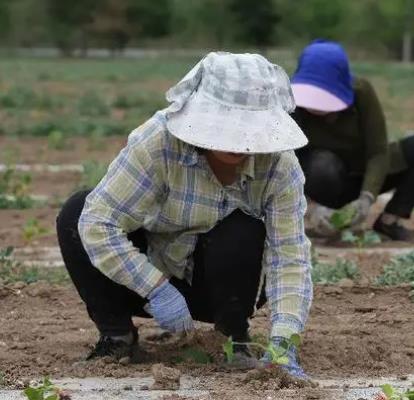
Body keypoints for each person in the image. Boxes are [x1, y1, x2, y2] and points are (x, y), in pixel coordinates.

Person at [56, 52, 313, 379]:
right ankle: (116, 335)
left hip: (224, 286)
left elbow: (290, 257)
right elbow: (97, 223)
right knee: (77, 212)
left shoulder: (279, 166)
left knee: (241, 229)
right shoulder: (158, 143)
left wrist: (284, 341)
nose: (238, 141)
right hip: (146, 280)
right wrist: (156, 287)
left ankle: (234, 337)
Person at [291, 40, 414, 241]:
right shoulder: (289, 104)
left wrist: (367, 197)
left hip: (362, 176)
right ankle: (324, 219)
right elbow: (284, 163)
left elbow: (378, 151)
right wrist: (309, 206)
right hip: (321, 178)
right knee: (322, 163)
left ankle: (390, 220)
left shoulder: (361, 92)